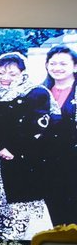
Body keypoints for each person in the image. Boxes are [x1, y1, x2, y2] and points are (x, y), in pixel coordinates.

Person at [0, 52, 54, 239]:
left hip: (21, 158)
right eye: (1, 73)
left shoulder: (35, 93)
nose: (5, 78)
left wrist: (14, 148)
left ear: (23, 73)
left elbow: (38, 126)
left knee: (18, 212)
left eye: (12, 74)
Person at [41, 45, 77, 226]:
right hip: (47, 163)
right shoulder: (39, 91)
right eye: (52, 63)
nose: (57, 67)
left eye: (63, 63)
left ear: (75, 66)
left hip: (73, 161)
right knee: (56, 212)